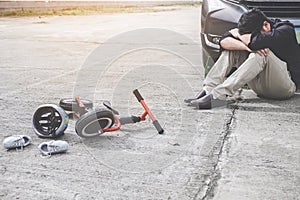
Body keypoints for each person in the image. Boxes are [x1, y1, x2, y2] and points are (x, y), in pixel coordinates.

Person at [185, 8, 300, 109]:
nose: (246, 37)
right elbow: (223, 41)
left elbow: (254, 43)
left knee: (261, 54)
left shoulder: (285, 30)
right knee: (234, 49)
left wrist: (238, 35)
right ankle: (208, 90)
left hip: (285, 88)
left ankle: (218, 96)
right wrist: (245, 45)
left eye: (250, 35)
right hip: (259, 88)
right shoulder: (254, 27)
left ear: (266, 25)